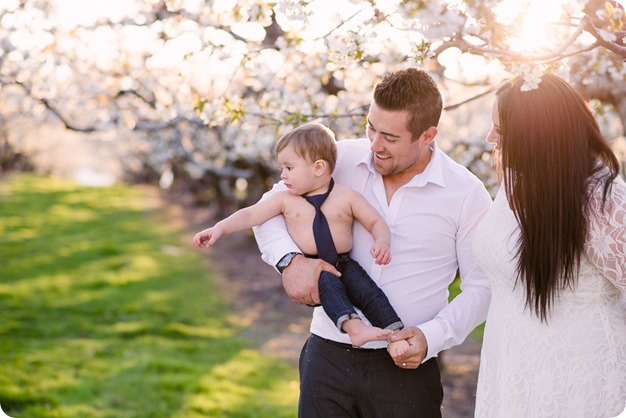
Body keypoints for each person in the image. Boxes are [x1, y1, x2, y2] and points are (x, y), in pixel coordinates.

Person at [253, 68, 493, 417]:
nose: (375, 145)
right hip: (328, 357)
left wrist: (431, 337)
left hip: (407, 369)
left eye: (390, 138)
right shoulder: (338, 159)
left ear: (428, 135)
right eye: (371, 128)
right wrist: (289, 260)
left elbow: (481, 286)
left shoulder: (466, 193)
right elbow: (268, 208)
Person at [473, 73, 626, 417]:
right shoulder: (521, 177)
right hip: (513, 373)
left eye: (502, 130)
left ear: (537, 135)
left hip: (581, 388)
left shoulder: (602, 200)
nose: (489, 138)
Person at [193, 122, 410, 350]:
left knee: (368, 291)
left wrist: (382, 242)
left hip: (344, 262)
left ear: (318, 167)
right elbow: (250, 215)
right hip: (313, 265)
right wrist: (219, 228)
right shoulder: (285, 199)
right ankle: (355, 329)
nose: (282, 175)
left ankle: (396, 333)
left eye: (289, 168)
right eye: (281, 168)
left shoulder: (346, 197)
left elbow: (375, 221)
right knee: (330, 290)